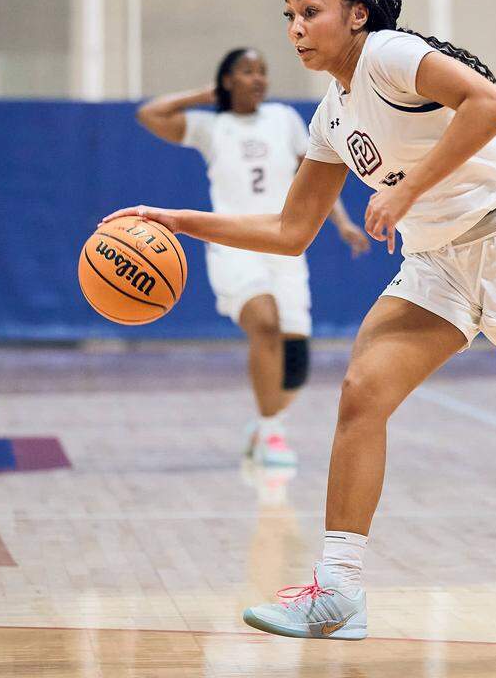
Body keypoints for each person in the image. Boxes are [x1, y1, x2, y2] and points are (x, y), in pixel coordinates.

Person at [104, 0, 496, 641]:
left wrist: (406, 190)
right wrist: (179, 221)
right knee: (361, 393)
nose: (296, 26)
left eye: (309, 9)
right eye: (287, 14)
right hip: (437, 262)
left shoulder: (390, 54)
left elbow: (491, 106)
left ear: (357, 13)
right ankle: (339, 591)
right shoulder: (330, 116)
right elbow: (291, 232)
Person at [135, 47, 370, 467]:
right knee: (265, 323)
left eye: (262, 70)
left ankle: (264, 424)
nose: (258, 78)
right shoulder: (213, 127)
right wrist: (204, 95)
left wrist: (342, 222)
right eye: (246, 72)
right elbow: (150, 114)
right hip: (233, 247)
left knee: (294, 368)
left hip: (283, 247)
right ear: (228, 80)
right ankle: (272, 436)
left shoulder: (284, 119)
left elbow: (313, 178)